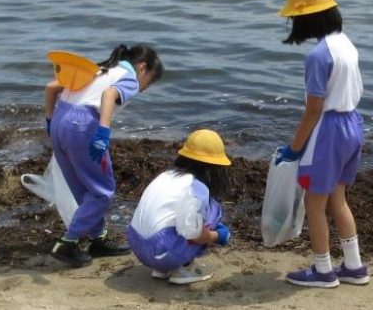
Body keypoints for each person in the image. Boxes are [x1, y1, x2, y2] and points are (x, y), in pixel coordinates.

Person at [272, 0, 369, 288]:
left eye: (295, 19)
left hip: (329, 130)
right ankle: (353, 265)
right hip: (353, 122)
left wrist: (295, 147)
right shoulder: (346, 44)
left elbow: (314, 107)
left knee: (313, 204)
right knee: (338, 198)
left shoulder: (317, 56)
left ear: (307, 18)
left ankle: (323, 269)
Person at [43, 44, 165, 267]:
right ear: (142, 67)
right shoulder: (128, 77)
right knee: (102, 192)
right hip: (83, 127)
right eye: (149, 81)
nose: (145, 89)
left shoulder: (100, 69)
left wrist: (51, 122)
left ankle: (97, 239)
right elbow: (109, 95)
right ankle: (67, 243)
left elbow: (52, 87)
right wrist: (103, 131)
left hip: (61, 121)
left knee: (84, 190)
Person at [126, 129, 233, 284]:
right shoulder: (197, 188)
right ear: (213, 167)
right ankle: (182, 268)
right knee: (214, 210)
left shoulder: (165, 175)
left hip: (136, 243)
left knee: (184, 220)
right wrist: (218, 236)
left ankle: (162, 270)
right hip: (161, 252)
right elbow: (193, 234)